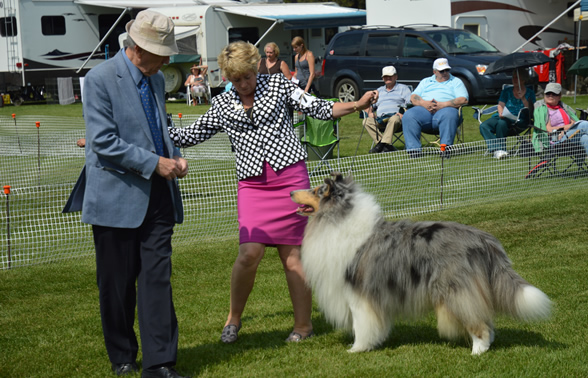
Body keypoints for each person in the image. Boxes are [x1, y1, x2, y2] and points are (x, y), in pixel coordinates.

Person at [168, 41, 377, 344]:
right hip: (252, 185)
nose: (244, 84)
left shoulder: (279, 84)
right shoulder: (224, 104)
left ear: (256, 69)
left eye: (248, 77)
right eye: (237, 79)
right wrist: (152, 128)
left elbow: (318, 107)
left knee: (292, 257)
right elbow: (189, 135)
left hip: (289, 179)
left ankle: (303, 326)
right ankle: (233, 320)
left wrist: (357, 105)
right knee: (248, 253)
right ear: (227, 78)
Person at [63, 10, 189, 378]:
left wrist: (174, 158)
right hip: (114, 198)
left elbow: (157, 131)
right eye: (161, 53)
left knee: (157, 280)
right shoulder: (99, 79)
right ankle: (122, 355)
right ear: (138, 48)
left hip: (158, 197)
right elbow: (103, 143)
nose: (167, 60)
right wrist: (155, 163)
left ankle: (160, 362)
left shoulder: (155, 81)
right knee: (116, 285)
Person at [402, 58, 468, 157]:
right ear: (434, 72)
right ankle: (414, 151)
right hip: (424, 111)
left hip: (446, 109)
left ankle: (445, 149)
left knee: (450, 114)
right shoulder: (426, 81)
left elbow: (464, 99)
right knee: (409, 115)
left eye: (447, 70)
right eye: (442, 71)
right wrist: (424, 103)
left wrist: (443, 104)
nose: (445, 73)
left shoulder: (456, 81)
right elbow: (413, 97)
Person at [479, 68, 535, 159]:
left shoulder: (530, 93)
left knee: (501, 123)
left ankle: (500, 150)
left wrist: (523, 98)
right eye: (513, 77)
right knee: (484, 126)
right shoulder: (507, 91)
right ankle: (497, 149)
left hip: (519, 120)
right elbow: (500, 104)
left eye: (517, 78)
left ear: (523, 80)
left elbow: (531, 109)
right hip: (503, 116)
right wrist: (501, 112)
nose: (514, 80)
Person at [363, 66, 411, 153]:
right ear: (382, 78)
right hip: (381, 119)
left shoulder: (403, 88)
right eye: (385, 76)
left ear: (396, 76)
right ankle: (386, 145)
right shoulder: (379, 91)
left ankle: (380, 145)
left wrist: (403, 114)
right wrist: (370, 112)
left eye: (390, 76)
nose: (388, 78)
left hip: (397, 119)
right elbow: (368, 106)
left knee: (394, 119)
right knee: (366, 121)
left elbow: (410, 104)